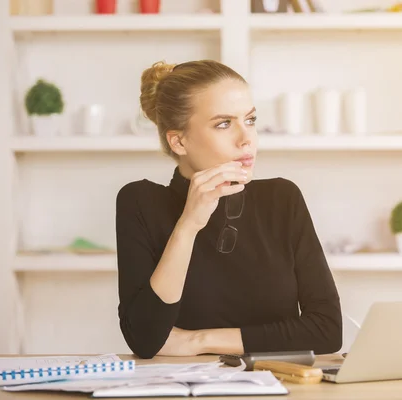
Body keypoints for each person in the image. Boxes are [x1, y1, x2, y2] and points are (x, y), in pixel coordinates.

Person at [115, 59, 342, 359]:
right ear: (179, 141)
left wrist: (201, 341)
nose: (246, 139)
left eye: (250, 120)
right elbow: (145, 339)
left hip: (278, 387)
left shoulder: (282, 199)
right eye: (224, 124)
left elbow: (327, 331)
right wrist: (189, 225)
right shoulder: (140, 203)